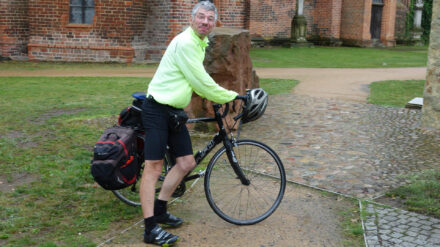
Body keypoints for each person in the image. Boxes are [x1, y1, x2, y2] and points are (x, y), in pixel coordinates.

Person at [139, 1, 238, 246]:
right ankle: (150, 228)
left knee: (186, 162)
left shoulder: (198, 42)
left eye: (210, 19)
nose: (205, 22)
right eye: (201, 17)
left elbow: (194, 80)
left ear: (214, 23)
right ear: (192, 19)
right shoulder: (186, 42)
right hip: (156, 110)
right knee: (153, 166)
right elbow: (200, 81)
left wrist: (215, 97)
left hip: (173, 111)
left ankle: (160, 209)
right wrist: (231, 96)